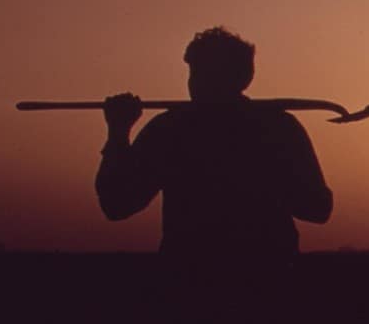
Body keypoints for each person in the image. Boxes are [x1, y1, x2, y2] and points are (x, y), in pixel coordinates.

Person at [95, 27, 333, 265]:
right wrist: (118, 132)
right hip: (206, 280)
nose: (197, 83)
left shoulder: (170, 128)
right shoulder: (278, 126)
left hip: (247, 278)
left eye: (208, 73)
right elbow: (117, 205)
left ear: (241, 77)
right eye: (196, 73)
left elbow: (319, 209)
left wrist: (118, 132)